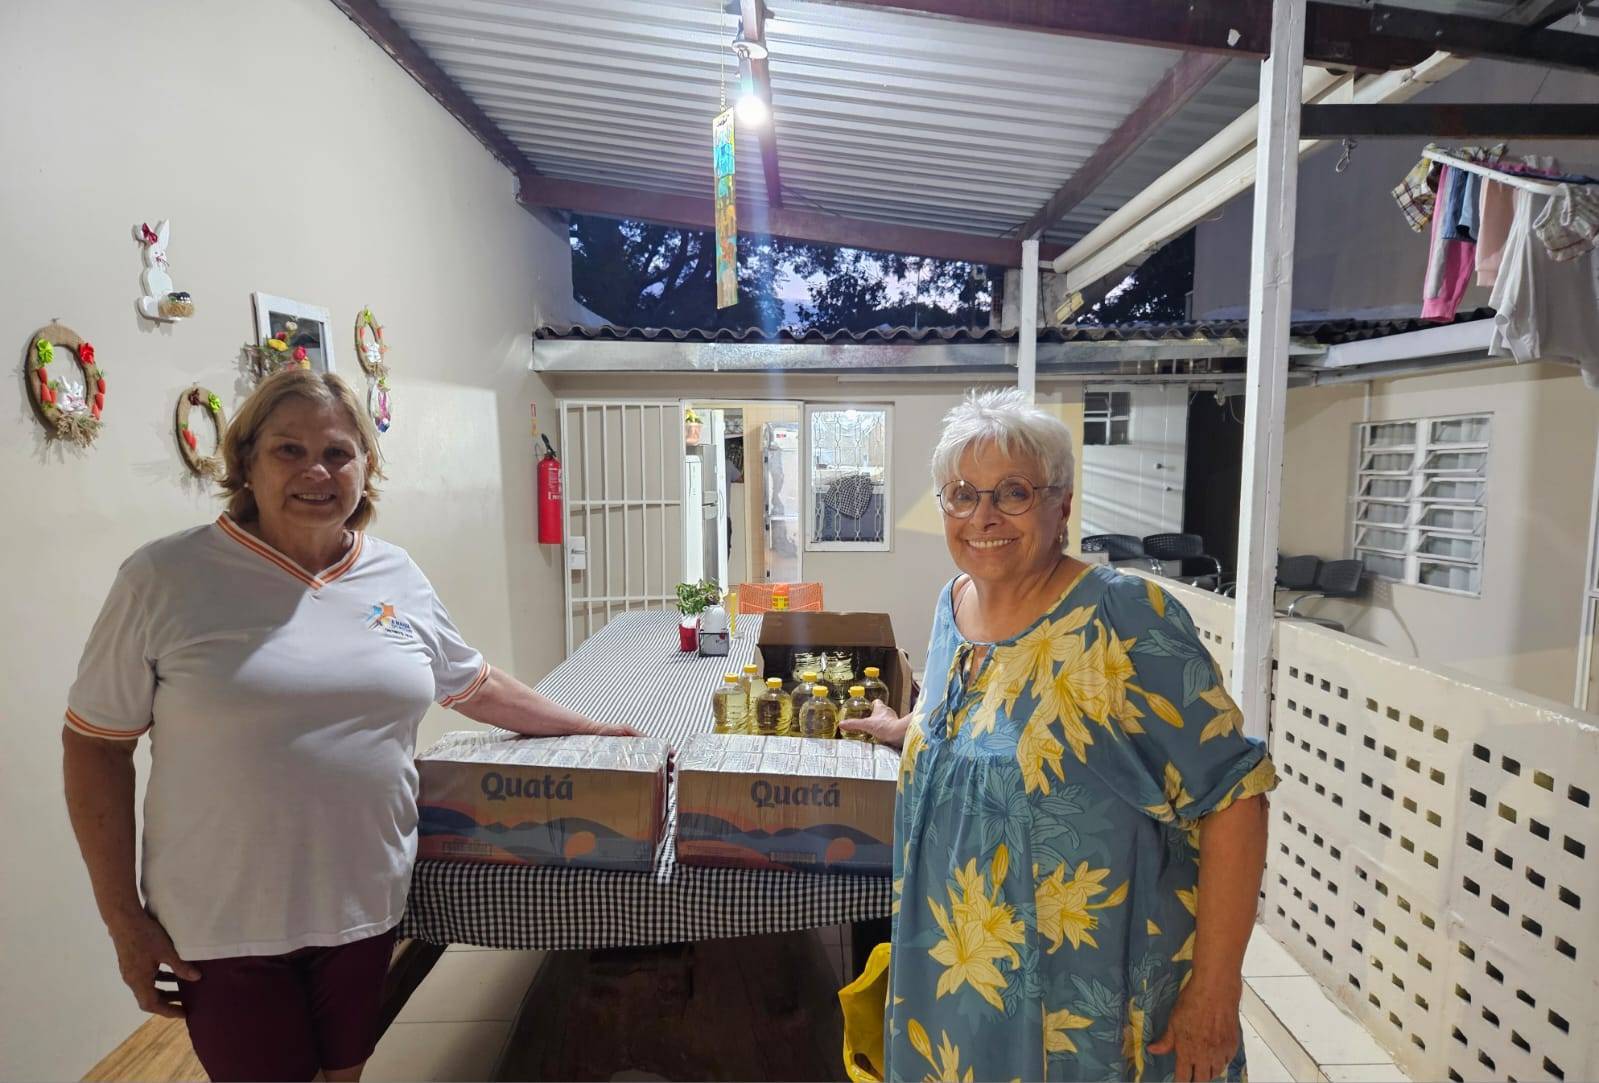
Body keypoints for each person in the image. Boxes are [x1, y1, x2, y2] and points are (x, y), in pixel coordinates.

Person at [62, 368, 637, 1083]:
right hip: (224, 918)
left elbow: (475, 683)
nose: (316, 471)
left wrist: (589, 728)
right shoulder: (164, 578)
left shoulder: (395, 573)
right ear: (245, 462)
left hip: (366, 902)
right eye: (288, 450)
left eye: (338, 452)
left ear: (367, 465)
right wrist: (124, 920)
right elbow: (93, 745)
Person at [841, 388, 1275, 1083]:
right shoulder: (953, 604)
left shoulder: (1124, 618)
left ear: (1060, 506)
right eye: (961, 494)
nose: (982, 515)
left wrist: (1215, 992)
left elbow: (1235, 799)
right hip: (957, 981)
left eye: (1012, 492)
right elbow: (992, 723)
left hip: (1084, 1007)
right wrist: (910, 732)